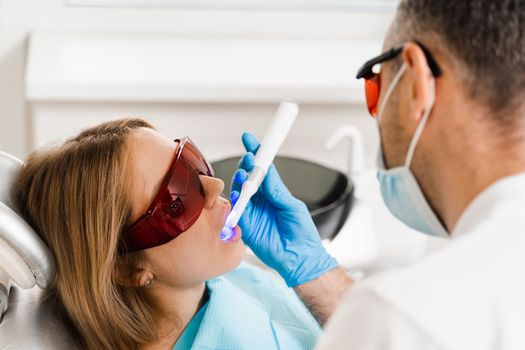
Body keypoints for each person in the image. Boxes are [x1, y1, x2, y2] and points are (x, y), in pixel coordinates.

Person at [230, 1, 525, 349]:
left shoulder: (398, 316)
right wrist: (314, 269)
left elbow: (403, 325)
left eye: (376, 87)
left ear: (417, 82)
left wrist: (372, 314)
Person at [11, 118, 320, 350]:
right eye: (177, 198)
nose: (215, 186)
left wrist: (317, 277)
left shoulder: (222, 280)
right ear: (127, 268)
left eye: (192, 162)